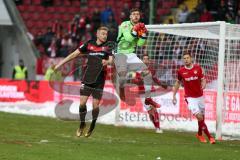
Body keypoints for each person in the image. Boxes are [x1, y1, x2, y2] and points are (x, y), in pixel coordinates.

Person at [54, 26, 113, 137]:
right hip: (87, 78)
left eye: (106, 34)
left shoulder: (108, 46)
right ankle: (82, 124)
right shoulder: (89, 44)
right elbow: (74, 54)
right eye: (103, 33)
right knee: (82, 103)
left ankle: (92, 125)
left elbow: (111, 60)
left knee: (96, 105)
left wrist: (107, 62)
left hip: (99, 79)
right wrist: (60, 64)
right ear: (97, 34)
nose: (105, 36)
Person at [115, 8, 159, 108]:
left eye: (137, 14)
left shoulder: (140, 27)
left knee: (148, 74)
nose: (135, 16)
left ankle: (148, 99)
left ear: (140, 16)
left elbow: (140, 44)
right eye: (133, 14)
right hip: (120, 54)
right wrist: (136, 29)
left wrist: (143, 35)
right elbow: (128, 39)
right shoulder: (125, 24)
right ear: (130, 16)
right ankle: (121, 90)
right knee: (122, 77)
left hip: (132, 55)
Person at [172, 52, 215, 144]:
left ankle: (199, 134)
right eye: (184, 58)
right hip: (190, 98)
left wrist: (204, 84)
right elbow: (177, 83)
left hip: (200, 96)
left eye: (187, 58)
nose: (186, 60)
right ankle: (210, 137)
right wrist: (174, 95)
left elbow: (203, 79)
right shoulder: (181, 71)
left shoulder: (198, 68)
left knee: (202, 118)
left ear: (191, 59)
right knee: (199, 117)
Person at [130, 54, 168, 133]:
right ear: (141, 61)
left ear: (149, 61)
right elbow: (134, 81)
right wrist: (140, 79)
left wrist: (161, 84)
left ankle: (158, 128)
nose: (145, 60)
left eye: (147, 59)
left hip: (151, 91)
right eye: (144, 59)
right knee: (150, 112)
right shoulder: (137, 70)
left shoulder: (150, 69)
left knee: (153, 109)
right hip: (142, 93)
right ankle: (156, 127)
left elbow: (154, 78)